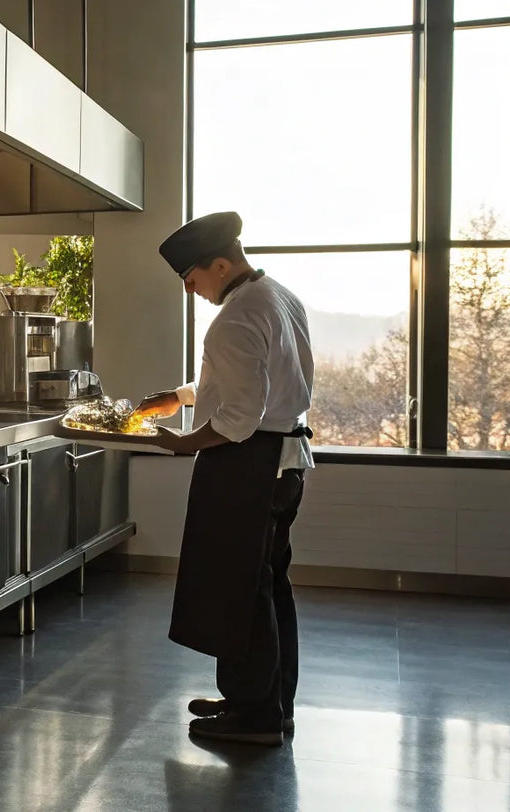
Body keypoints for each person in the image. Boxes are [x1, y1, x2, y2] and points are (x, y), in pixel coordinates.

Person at [136, 211, 314, 748]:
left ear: (219, 265)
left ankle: (254, 717)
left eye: (191, 278)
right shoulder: (278, 297)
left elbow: (239, 415)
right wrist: (180, 397)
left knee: (242, 591)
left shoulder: (235, 318)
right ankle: (268, 703)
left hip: (249, 466)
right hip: (285, 462)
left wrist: (180, 442)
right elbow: (255, 380)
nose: (191, 290)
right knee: (269, 586)